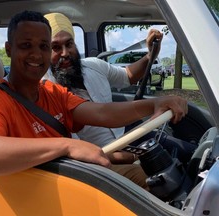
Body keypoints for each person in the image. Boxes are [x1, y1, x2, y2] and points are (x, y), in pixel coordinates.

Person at [0, 11, 187, 190]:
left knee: (163, 180)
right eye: (26, 46)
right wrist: (66, 145)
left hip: (72, 178)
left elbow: (103, 113)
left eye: (44, 46)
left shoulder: (51, 92)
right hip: (44, 188)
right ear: (9, 49)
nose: (37, 54)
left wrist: (154, 104)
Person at [44, 12, 197, 165]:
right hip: (103, 156)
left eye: (69, 44)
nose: (65, 53)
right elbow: (78, 150)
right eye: (56, 47)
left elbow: (127, 76)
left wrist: (150, 55)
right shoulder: (47, 91)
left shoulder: (94, 65)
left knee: (191, 155)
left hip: (131, 134)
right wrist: (133, 157)